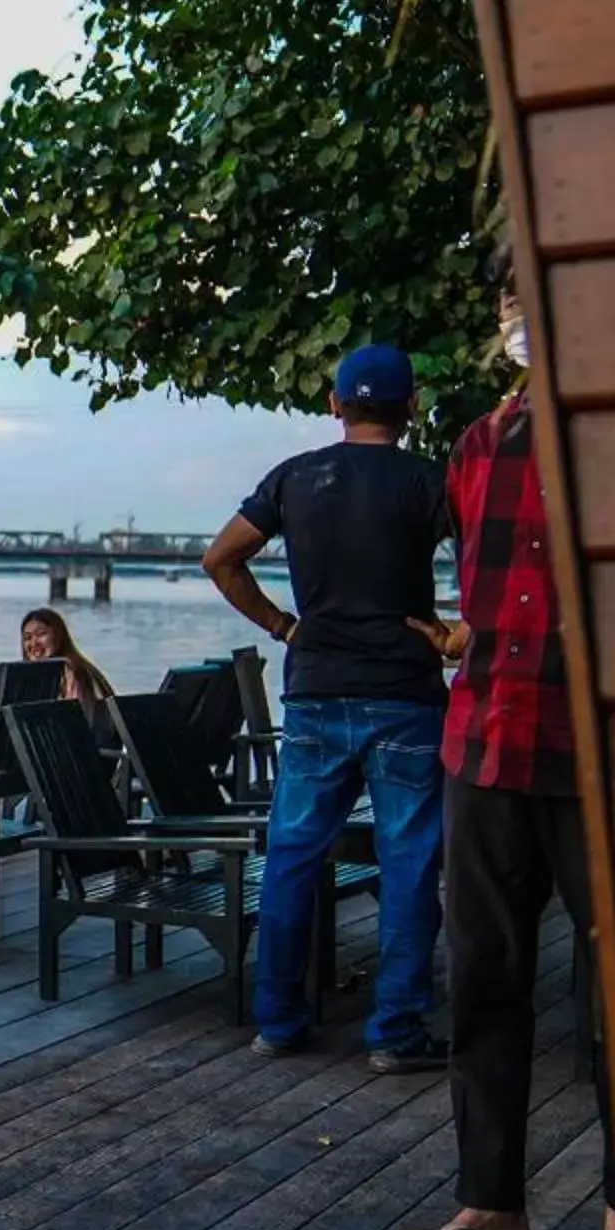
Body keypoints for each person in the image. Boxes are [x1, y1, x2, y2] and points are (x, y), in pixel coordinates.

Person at [396, 255, 615, 1230]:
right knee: (484, 978)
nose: (521, 319)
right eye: (507, 305)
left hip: (600, 752)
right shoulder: (478, 443)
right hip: (485, 741)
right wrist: (454, 635)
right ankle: (492, 1203)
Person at [202, 343, 452, 1074]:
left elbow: (220, 559)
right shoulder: (429, 482)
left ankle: (279, 1022)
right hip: (406, 695)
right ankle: (397, 1031)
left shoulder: (295, 478)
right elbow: (492, 558)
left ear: (336, 405)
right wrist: (457, 633)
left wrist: (282, 625)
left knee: (292, 858)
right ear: (411, 408)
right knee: (409, 865)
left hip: (315, 691)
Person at [19, 607, 115, 701]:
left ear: (58, 635)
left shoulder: (72, 671)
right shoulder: (43, 675)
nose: (34, 643)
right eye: (27, 638)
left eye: (41, 634)